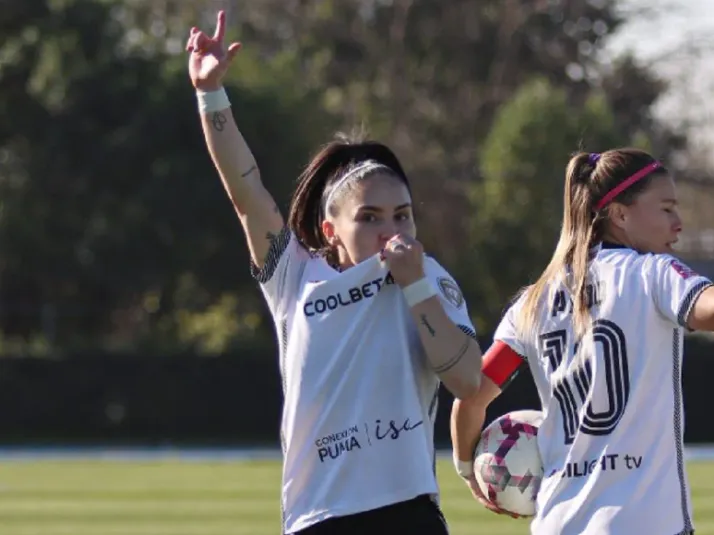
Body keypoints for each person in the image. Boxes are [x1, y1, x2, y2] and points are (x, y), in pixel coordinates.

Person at [186, 11, 483, 535]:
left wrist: (415, 286)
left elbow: (465, 380)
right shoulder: (295, 279)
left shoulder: (428, 278)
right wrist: (211, 95)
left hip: (408, 513)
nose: (390, 230)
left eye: (402, 214)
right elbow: (247, 193)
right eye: (369, 218)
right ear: (330, 230)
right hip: (318, 518)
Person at [450, 148, 714, 534]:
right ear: (620, 214)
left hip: (559, 522)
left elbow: (472, 395)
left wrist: (466, 469)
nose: (678, 222)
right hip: (643, 524)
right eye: (667, 208)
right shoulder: (652, 274)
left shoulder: (533, 301)